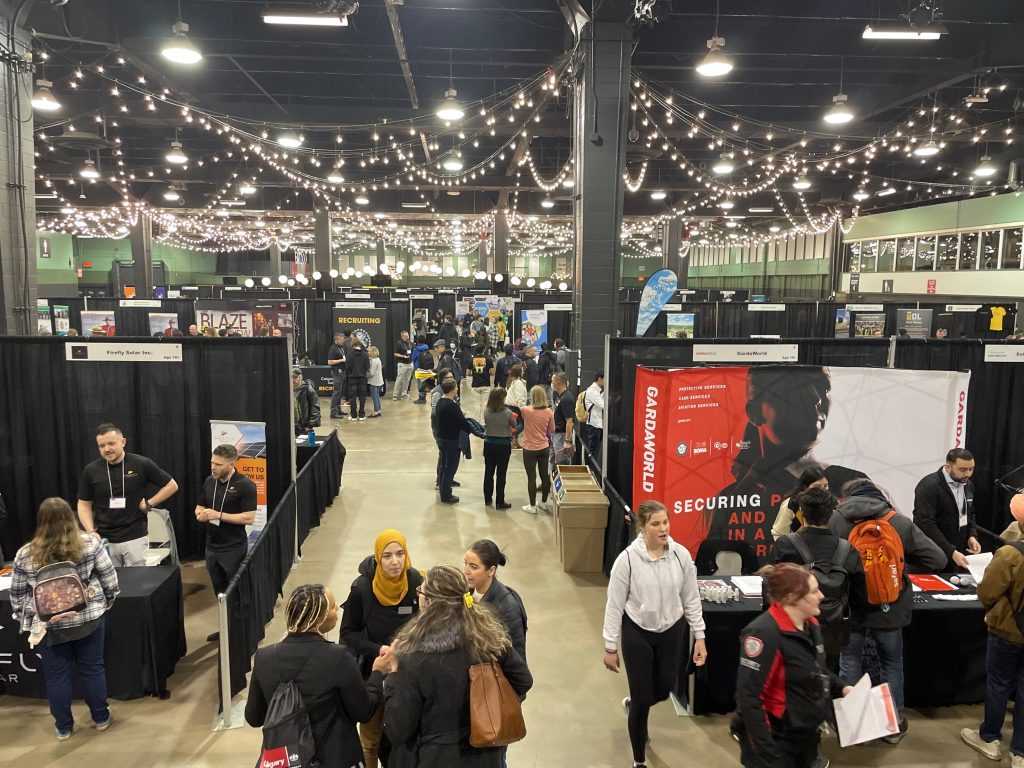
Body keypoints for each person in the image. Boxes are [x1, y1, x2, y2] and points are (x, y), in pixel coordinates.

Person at [829, 479, 946, 743]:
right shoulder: (900, 522)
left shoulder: (837, 520)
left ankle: (853, 727)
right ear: (881, 497)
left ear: (848, 497)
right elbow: (938, 559)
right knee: (891, 663)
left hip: (852, 607)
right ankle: (893, 727)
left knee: (849, 661)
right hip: (890, 606)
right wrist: (901, 562)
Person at [383, 564, 533, 768]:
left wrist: (392, 675)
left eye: (421, 592)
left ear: (429, 602)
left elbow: (399, 729)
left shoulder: (412, 657)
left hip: (436, 758)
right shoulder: (489, 639)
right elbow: (523, 680)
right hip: (487, 755)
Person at [709, 366, 867, 545]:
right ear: (755, 412)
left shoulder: (852, 484)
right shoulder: (726, 501)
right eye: (791, 390)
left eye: (823, 388)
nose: (815, 398)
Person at [603, 500, 707, 768]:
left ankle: (637, 703)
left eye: (666, 522)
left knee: (662, 689)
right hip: (637, 632)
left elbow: (691, 598)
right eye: (656, 523)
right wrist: (610, 646)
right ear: (642, 526)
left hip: (671, 630)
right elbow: (614, 605)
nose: (663, 529)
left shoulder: (681, 555)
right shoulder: (626, 561)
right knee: (641, 700)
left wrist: (700, 636)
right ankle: (639, 760)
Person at [245, 584, 392, 768]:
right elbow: (364, 711)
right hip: (335, 758)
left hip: (287, 760)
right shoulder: (337, 657)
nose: (337, 608)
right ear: (318, 618)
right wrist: (377, 673)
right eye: (331, 606)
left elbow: (254, 717)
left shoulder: (264, 658)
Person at [10, 497, 120, 740]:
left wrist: (30, 618)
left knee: (56, 676)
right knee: (93, 669)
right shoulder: (90, 545)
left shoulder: (25, 554)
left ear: (41, 521)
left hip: (49, 626)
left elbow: (17, 594)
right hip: (88, 619)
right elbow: (110, 579)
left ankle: (64, 727)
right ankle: (101, 718)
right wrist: (106, 602)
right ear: (71, 518)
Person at [733, 563, 853, 768]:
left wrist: (842, 687)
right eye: (814, 591)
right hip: (777, 743)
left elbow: (816, 670)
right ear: (791, 597)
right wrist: (768, 756)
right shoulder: (764, 634)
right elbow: (749, 698)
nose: (822, 596)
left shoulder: (810, 625)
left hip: (804, 739)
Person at [340, 530, 423, 768]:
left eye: (400, 554)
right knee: (370, 740)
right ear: (378, 558)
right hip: (372, 674)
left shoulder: (414, 580)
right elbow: (348, 634)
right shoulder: (362, 589)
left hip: (406, 675)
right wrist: (380, 651)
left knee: (404, 736)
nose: (395, 562)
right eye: (387, 556)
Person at [768, 487, 864, 671]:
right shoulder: (847, 549)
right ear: (832, 514)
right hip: (834, 630)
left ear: (802, 512)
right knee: (828, 676)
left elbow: (772, 588)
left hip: (793, 628)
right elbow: (860, 595)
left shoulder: (785, 544)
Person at [961, 494, 1024, 765]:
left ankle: (989, 738)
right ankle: (1020, 751)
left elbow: (987, 591)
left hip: (1007, 630)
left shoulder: (1010, 554)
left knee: (998, 683)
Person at [77, 423, 178, 567]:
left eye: (111, 443)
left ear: (123, 442)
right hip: (106, 541)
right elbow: (83, 504)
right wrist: (91, 531)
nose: (107, 449)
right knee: (112, 586)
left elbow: (172, 485)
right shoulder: (91, 470)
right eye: (102, 445)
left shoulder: (141, 464)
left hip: (136, 537)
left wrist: (149, 503)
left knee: (139, 584)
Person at [195, 444, 257, 641]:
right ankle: (226, 629)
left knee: (237, 594)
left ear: (231, 464)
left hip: (233, 548)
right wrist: (199, 513)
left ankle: (242, 634)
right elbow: (200, 504)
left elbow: (249, 518)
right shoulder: (209, 482)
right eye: (212, 462)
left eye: (218, 464)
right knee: (220, 593)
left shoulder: (245, 485)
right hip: (211, 547)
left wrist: (218, 515)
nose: (213, 467)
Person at [913, 447, 979, 570]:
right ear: (948, 467)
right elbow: (925, 524)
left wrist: (971, 535)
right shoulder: (929, 486)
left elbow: (970, 513)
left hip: (957, 553)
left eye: (971, 469)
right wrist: (951, 551)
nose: (968, 474)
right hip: (933, 555)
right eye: (963, 470)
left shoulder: (968, 485)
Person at [464, 539, 526, 659]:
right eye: (465, 563)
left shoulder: (508, 608)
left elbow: (517, 656)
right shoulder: (467, 591)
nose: (466, 571)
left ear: (491, 570)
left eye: (473, 567)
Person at [519, 385, 555, 515]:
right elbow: (553, 429)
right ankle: (544, 503)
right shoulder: (549, 412)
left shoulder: (526, 410)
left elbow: (523, 421)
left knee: (531, 477)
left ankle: (532, 506)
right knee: (544, 475)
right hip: (544, 447)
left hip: (529, 448)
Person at [436, 379, 472, 504]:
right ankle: (446, 494)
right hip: (451, 440)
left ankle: (443, 490)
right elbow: (462, 423)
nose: (457, 389)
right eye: (456, 388)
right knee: (450, 467)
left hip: (441, 438)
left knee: (443, 466)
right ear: (452, 390)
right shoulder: (452, 405)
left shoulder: (441, 401)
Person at [770, 467, 829, 541]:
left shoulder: (834, 504)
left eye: (825, 486)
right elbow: (778, 534)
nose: (823, 490)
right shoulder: (791, 505)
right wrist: (787, 549)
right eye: (817, 486)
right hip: (796, 550)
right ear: (805, 487)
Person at [482, 388, 516, 510]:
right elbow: (514, 425)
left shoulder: (486, 411)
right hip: (503, 445)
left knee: (488, 472)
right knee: (501, 474)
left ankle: (487, 498)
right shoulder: (507, 412)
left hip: (489, 444)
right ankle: (500, 501)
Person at [550, 372, 575, 466]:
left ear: (558, 382)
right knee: (554, 460)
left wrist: (567, 441)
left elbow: (569, 421)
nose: (551, 383)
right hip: (556, 434)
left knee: (560, 463)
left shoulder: (566, 399)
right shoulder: (560, 396)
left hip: (561, 436)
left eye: (553, 381)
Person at [346, 338, 371, 421]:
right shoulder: (365, 354)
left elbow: (348, 367)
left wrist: (350, 373)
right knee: (362, 397)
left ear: (353, 345)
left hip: (352, 378)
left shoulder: (349, 354)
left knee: (352, 398)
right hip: (362, 378)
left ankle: (353, 415)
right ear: (360, 344)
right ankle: (361, 414)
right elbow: (368, 367)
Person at [583, 371, 605, 462]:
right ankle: (589, 469)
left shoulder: (599, 390)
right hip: (594, 424)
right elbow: (602, 405)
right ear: (599, 379)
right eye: (605, 379)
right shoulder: (592, 390)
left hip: (598, 423)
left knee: (596, 449)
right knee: (592, 450)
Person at [293, 367, 321, 434]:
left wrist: (310, 426)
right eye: (292, 377)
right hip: (293, 425)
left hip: (304, 427)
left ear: (301, 377)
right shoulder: (289, 390)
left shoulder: (309, 390)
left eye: (295, 377)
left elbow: (315, 409)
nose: (293, 380)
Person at [470, 343, 494, 419]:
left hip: (475, 384)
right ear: (484, 349)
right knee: (485, 403)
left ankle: (477, 421)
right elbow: (492, 372)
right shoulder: (489, 359)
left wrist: (474, 372)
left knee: (476, 404)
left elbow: (467, 373)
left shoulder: (472, 359)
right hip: (486, 384)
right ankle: (484, 421)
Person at [328, 331, 348, 419]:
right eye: (341, 339)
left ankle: (338, 409)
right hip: (337, 372)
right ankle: (333, 412)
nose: (343, 340)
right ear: (336, 340)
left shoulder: (341, 347)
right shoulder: (333, 348)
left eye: (343, 339)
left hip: (342, 372)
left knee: (340, 392)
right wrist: (341, 360)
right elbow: (330, 362)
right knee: (336, 392)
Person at [393, 330, 414, 401]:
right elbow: (395, 353)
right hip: (402, 364)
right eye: (405, 336)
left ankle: (404, 394)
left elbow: (413, 352)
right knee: (399, 379)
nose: (407, 337)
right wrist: (403, 356)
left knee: (407, 380)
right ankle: (395, 395)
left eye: (408, 336)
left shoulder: (411, 343)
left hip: (410, 364)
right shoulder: (399, 343)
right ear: (402, 337)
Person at [412, 335, 431, 403]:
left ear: (417, 341)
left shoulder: (416, 349)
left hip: (418, 368)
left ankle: (421, 398)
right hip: (425, 367)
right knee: (424, 383)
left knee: (420, 384)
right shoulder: (426, 348)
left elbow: (413, 358)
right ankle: (424, 396)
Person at [367, 345, 384, 418]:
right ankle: (379, 410)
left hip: (374, 381)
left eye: (369, 351)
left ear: (373, 352)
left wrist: (365, 375)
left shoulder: (374, 361)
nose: (368, 352)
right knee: (377, 396)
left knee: (374, 397)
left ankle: (376, 412)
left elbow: (371, 372)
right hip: (378, 380)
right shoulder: (377, 359)